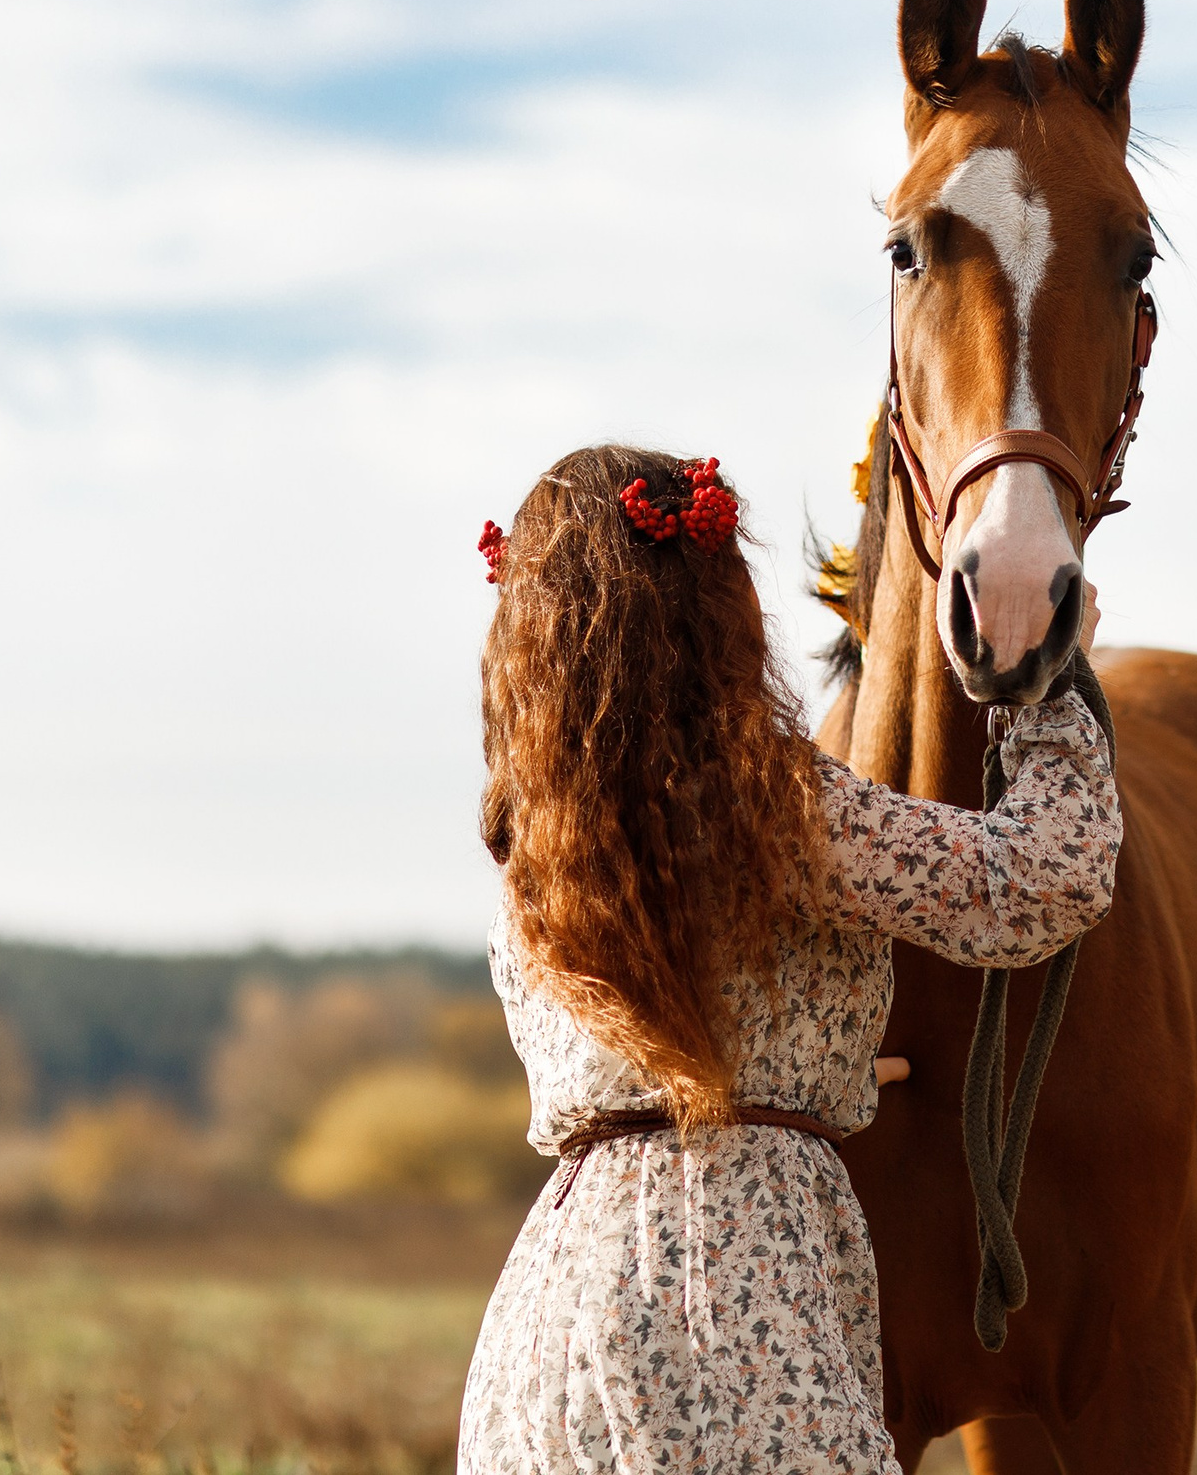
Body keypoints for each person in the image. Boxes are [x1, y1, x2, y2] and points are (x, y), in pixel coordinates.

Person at [458, 445, 1120, 1475]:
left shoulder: (533, 845)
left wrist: (838, 1069)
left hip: (550, 1321)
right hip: (736, 1290)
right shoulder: (773, 807)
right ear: (712, 613)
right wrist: (1044, 683)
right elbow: (1041, 879)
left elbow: (675, 1048)